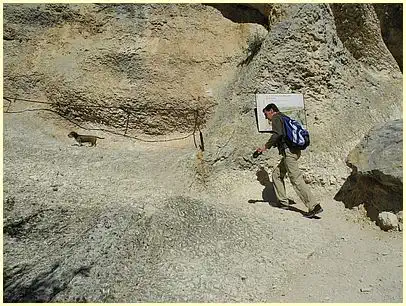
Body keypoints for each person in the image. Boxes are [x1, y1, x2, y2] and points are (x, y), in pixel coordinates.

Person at [256, 103, 323, 218]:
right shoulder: (285, 117)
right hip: (294, 151)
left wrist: (264, 147)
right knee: (277, 174)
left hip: (289, 153)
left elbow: (277, 134)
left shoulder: (277, 118)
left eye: (266, 114)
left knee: (295, 179)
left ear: (271, 110)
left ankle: (314, 206)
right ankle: (283, 202)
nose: (266, 117)